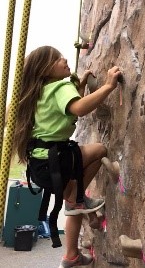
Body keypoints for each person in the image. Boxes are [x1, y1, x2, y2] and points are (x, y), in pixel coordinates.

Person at [13, 46, 121, 268]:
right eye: (57, 58)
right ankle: (76, 197)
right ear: (45, 69)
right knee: (100, 150)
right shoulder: (60, 87)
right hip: (57, 161)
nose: (63, 59)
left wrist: (79, 87)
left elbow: (64, 108)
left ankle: (70, 256)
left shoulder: (41, 91)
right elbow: (79, 109)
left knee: (74, 207)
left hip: (41, 166)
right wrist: (109, 86)